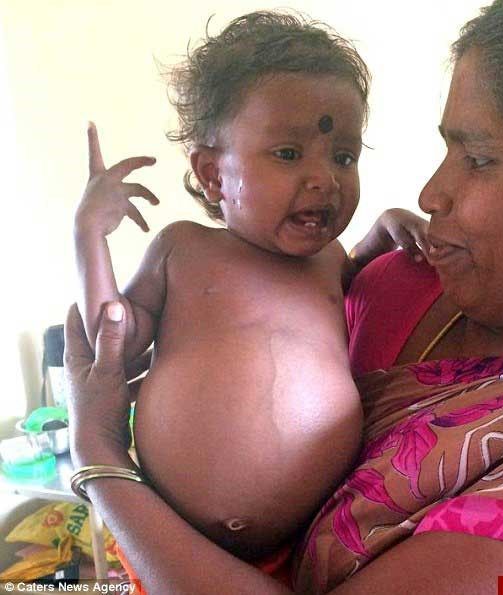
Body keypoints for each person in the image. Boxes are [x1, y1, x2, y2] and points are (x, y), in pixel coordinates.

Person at [65, 0, 503, 592]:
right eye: (447, 150)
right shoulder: (398, 281)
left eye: (479, 159)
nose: (430, 194)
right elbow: (136, 339)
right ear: (212, 172)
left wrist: (99, 457)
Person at [72, 12, 428, 564]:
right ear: (214, 174)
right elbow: (111, 341)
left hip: (310, 545)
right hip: (170, 541)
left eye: (344, 156)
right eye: (288, 154)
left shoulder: (330, 261)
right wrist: (89, 235)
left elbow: (362, 295)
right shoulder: (183, 249)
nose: (324, 179)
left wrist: (382, 234)